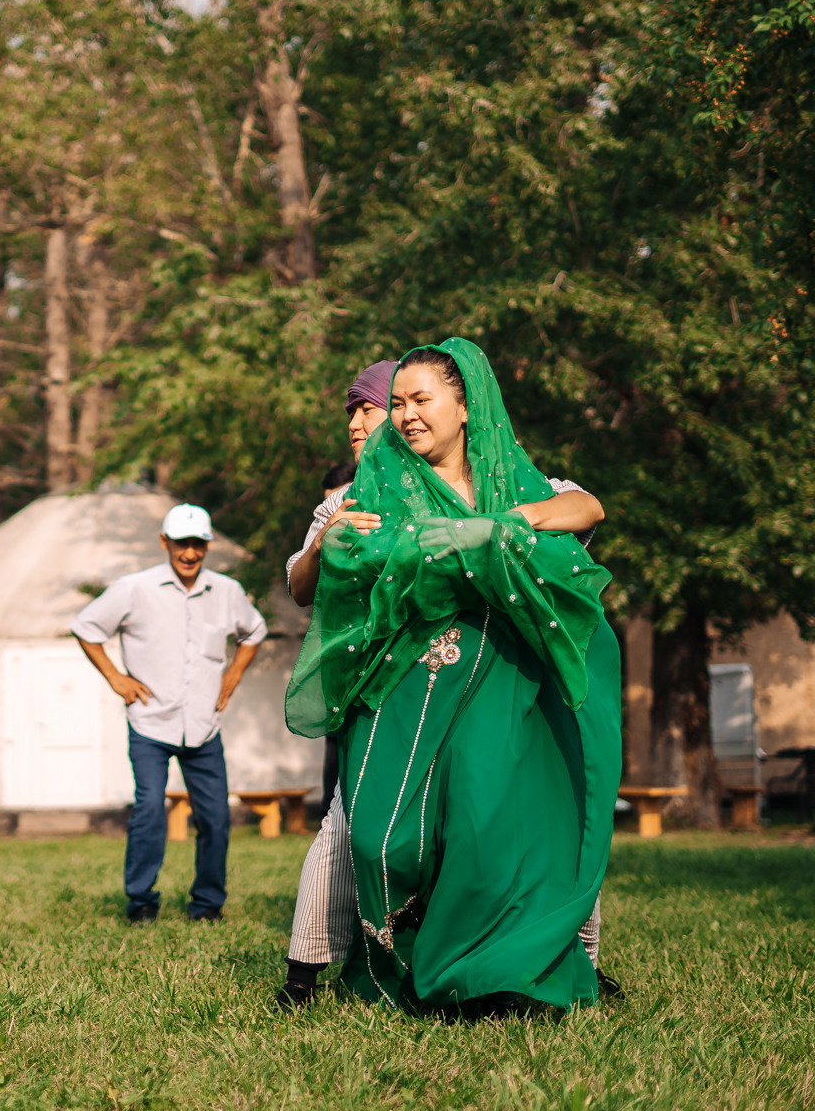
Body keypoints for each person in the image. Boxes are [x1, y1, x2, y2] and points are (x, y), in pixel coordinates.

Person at [281, 340, 622, 1016]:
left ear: (465, 407)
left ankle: (540, 962)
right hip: (403, 696)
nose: (401, 416)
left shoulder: (513, 481)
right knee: (367, 833)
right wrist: (329, 543)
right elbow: (300, 583)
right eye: (394, 404)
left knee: (509, 820)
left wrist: (501, 526)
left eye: (418, 401)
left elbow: (587, 509)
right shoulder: (364, 492)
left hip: (502, 691)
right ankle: (323, 971)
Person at [72, 504, 268, 922]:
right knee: (149, 808)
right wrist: (116, 678)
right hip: (150, 722)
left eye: (199, 543)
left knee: (215, 817)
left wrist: (233, 674)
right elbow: (87, 628)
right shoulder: (134, 588)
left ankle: (207, 904)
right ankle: (141, 900)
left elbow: (254, 631)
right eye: (182, 543)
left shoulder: (227, 591)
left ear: (208, 545)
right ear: (165, 542)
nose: (191, 553)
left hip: (203, 726)